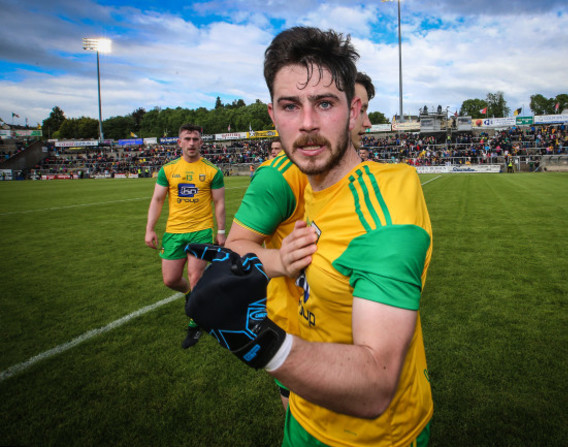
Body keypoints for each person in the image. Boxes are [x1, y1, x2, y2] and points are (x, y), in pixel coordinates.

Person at [187, 27, 433, 445]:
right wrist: (278, 262)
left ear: (353, 111)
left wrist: (262, 342)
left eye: (324, 103)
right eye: (290, 105)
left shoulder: (386, 211)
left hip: (372, 438)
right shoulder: (305, 182)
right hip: (303, 414)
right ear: (272, 116)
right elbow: (246, 246)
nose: (306, 124)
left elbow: (377, 383)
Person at [223, 72, 376, 411]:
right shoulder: (280, 177)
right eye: (360, 110)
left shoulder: (364, 176)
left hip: (353, 322)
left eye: (364, 109)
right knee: (307, 421)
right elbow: (234, 248)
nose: (365, 121)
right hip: (299, 331)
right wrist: (281, 260)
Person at [145, 123, 226, 349]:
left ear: (201, 142)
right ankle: (192, 295)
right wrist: (150, 228)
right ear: (179, 142)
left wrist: (220, 231)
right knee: (170, 279)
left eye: (195, 139)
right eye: (187, 139)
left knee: (195, 276)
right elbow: (158, 200)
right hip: (174, 232)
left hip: (201, 230)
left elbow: (219, 202)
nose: (191, 143)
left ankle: (195, 325)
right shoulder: (168, 169)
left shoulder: (212, 170)